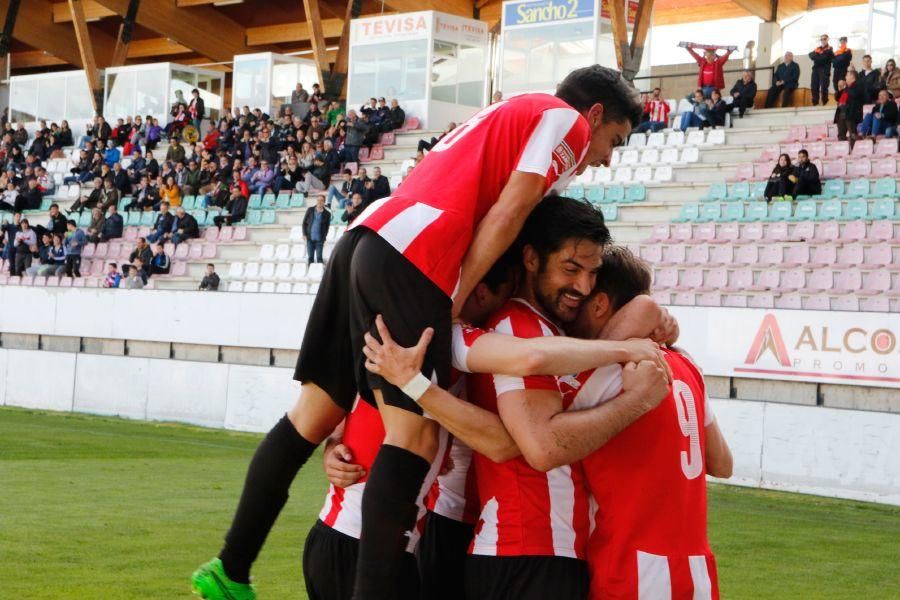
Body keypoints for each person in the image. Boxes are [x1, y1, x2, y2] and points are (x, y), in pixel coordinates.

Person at [190, 64, 642, 600]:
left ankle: (230, 569)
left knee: (312, 415)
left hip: (368, 234)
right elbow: (508, 212)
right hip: (417, 254)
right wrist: (452, 300)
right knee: (416, 437)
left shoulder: (508, 111)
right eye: (614, 139)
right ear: (593, 115)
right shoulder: (564, 121)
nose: (608, 156)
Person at [309, 242, 674, 600]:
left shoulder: (495, 336)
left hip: (461, 527)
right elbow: (522, 396)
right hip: (453, 524)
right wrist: (340, 440)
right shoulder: (472, 334)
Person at [557, 247, 733, 600]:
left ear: (600, 304)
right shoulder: (686, 365)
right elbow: (722, 464)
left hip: (631, 568)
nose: (568, 318)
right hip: (696, 569)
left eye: (579, 304)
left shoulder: (606, 371)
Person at [836, 70, 864, 145]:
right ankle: (842, 151)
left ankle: (854, 150)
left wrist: (845, 88)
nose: (845, 77)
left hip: (851, 113)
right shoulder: (847, 88)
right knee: (841, 135)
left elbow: (854, 94)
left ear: (852, 76)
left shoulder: (858, 85)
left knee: (852, 134)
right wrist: (839, 89)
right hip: (841, 112)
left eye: (847, 75)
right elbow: (837, 98)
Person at [302, 196, 331, 264]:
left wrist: (324, 237)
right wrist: (304, 234)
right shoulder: (310, 210)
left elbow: (327, 227)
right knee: (310, 258)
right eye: (318, 200)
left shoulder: (327, 214)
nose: (319, 202)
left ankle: (319, 273)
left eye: (321, 200)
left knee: (319, 258)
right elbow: (304, 223)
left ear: (324, 202)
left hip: (320, 240)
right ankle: (310, 273)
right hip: (310, 238)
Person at [809, 34, 834, 106]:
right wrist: (818, 56)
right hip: (815, 70)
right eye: (821, 39)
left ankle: (824, 102)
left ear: (827, 39)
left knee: (823, 87)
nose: (823, 40)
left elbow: (822, 59)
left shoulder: (830, 49)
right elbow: (810, 55)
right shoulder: (818, 48)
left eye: (824, 39)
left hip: (824, 70)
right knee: (814, 87)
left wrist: (816, 56)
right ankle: (815, 103)